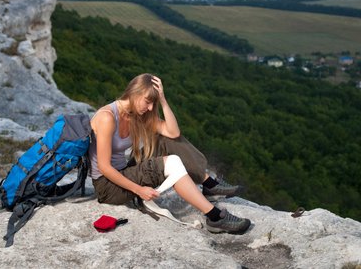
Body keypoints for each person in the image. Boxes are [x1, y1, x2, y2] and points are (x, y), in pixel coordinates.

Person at [89, 73, 251, 234]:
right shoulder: (107, 117)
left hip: (124, 172)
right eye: (148, 101)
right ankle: (215, 218)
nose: (151, 108)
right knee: (172, 163)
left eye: (154, 103)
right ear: (134, 93)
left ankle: (208, 183)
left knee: (165, 138)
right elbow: (104, 167)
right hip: (108, 187)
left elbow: (173, 133)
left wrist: (164, 101)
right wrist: (139, 190)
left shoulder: (136, 115)